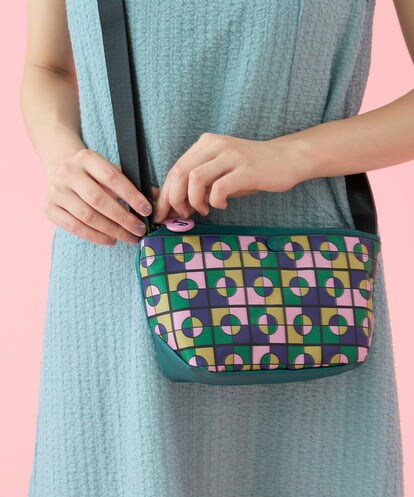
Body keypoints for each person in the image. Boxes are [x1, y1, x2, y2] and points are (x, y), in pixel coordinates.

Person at [20, 1, 413, 496]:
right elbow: (47, 67)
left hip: (302, 291)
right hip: (116, 268)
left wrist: (293, 155)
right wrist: (61, 158)